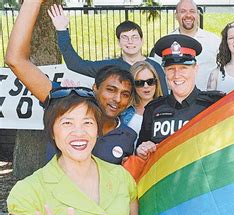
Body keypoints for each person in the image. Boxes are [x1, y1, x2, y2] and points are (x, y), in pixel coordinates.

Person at [6, 0, 136, 165]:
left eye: (125, 94)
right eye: (110, 89)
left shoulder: (128, 136)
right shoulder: (66, 103)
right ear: (95, 88)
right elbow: (16, 60)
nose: (117, 99)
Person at [7, 88, 139, 215]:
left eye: (87, 122)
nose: (79, 132)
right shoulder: (29, 191)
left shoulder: (121, 176)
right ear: (52, 133)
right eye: (67, 123)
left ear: (98, 130)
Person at [135, 34, 224, 160]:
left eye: (183, 68)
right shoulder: (153, 109)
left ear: (196, 69)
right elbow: (140, 152)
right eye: (171, 69)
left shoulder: (213, 106)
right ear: (165, 72)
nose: (177, 75)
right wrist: (141, 150)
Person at [47, 4, 169, 96]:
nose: (130, 42)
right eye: (125, 38)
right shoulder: (110, 67)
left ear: (142, 41)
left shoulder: (154, 67)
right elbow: (76, 64)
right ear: (118, 42)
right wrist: (62, 30)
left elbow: (164, 97)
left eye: (134, 37)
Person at [154, 0, 220, 91]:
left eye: (192, 11)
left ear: (197, 15)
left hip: (208, 100)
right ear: (176, 16)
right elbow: (158, 73)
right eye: (183, 11)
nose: (188, 15)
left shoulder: (214, 41)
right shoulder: (166, 43)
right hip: (174, 101)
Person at [121, 61, 164, 143]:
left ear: (156, 82)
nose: (146, 86)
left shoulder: (168, 108)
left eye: (150, 81)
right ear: (132, 85)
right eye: (139, 83)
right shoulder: (123, 111)